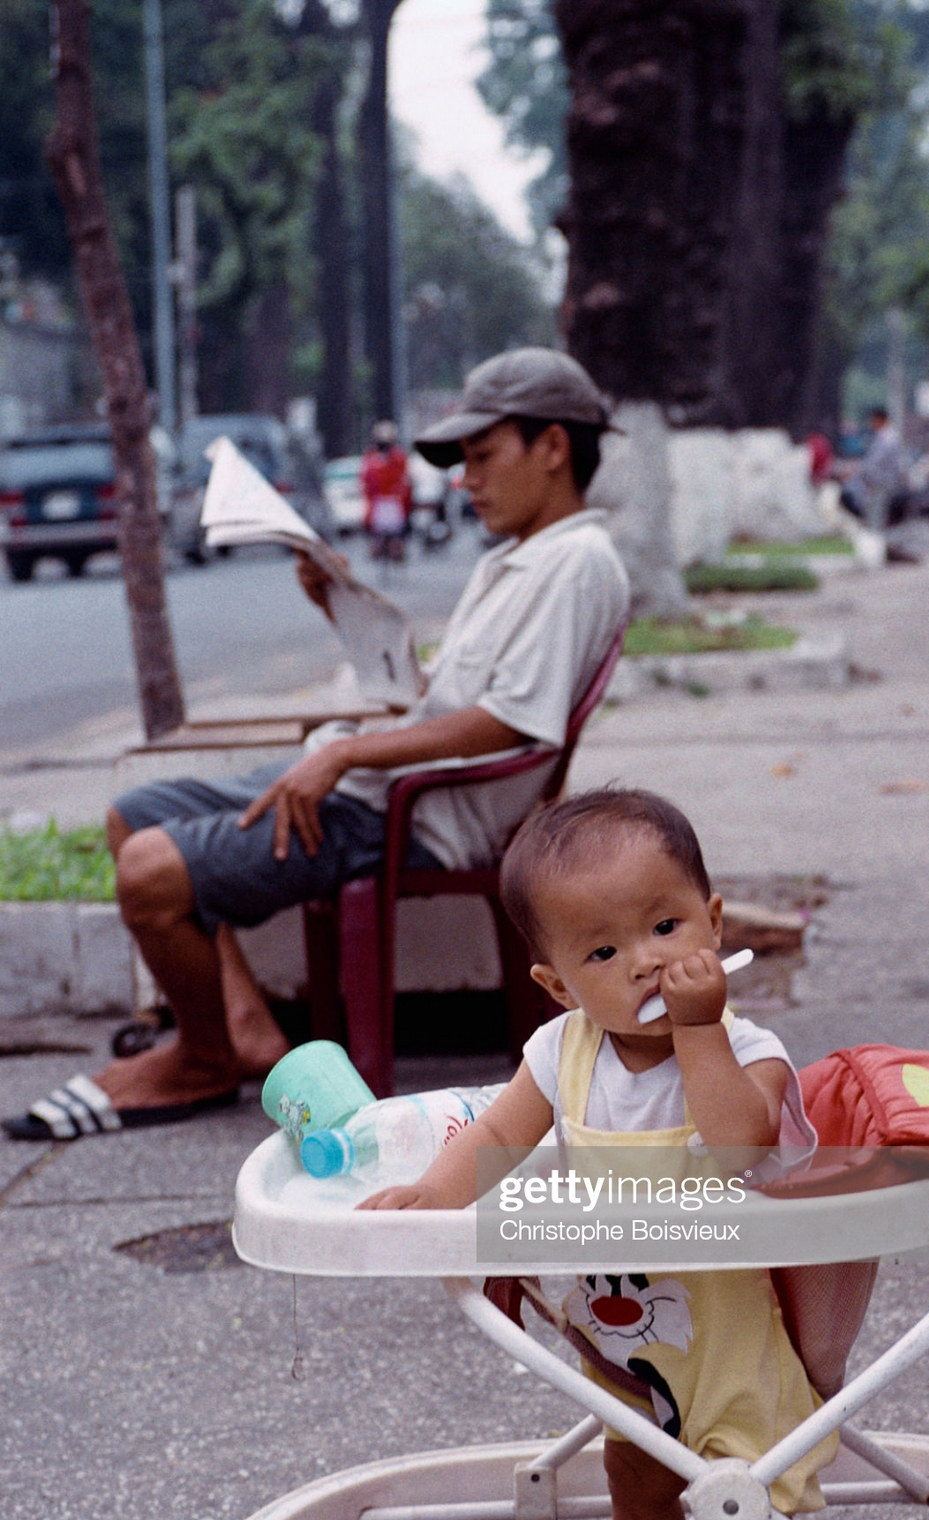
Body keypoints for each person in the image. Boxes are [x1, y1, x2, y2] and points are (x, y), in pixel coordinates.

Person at [5, 349, 629, 1141]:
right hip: (371, 788)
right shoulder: (515, 558)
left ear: (553, 448)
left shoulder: (576, 561)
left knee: (151, 872)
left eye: (482, 456)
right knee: (134, 814)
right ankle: (245, 1034)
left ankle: (200, 1061)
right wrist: (344, 609)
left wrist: (341, 757)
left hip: (413, 817)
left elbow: (511, 722)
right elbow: (435, 694)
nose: (466, 480)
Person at [360, 788, 838, 1520]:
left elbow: (738, 1145)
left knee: (751, 1493)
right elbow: (500, 1135)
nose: (648, 964)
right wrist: (432, 1195)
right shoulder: (561, 1051)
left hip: (726, 1329)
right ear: (558, 984)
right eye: (606, 951)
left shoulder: (749, 1046)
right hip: (620, 1323)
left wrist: (700, 1034)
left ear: (715, 918)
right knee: (637, 1473)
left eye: (667, 927)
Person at [361, 419, 412, 560]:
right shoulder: (371, 456)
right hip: (379, 500)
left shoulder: (398, 456)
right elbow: (365, 478)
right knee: (378, 531)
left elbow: (404, 477)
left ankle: (396, 548)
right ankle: (379, 546)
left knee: (396, 531)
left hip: (394, 500)